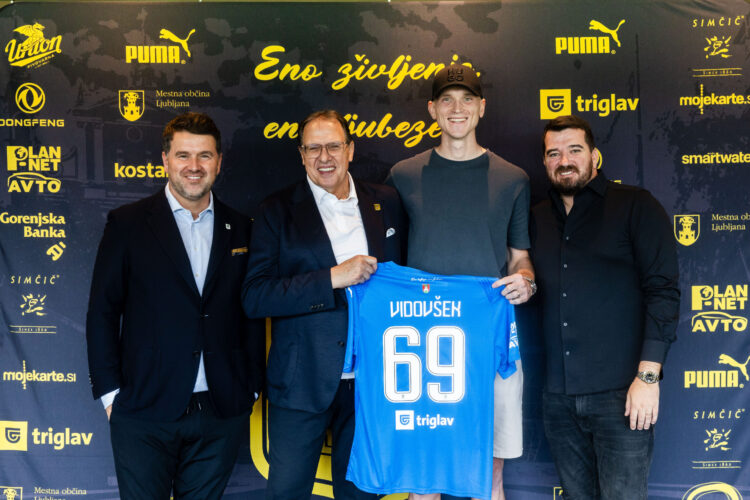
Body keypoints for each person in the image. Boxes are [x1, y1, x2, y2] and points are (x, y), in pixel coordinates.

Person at [86, 112, 265, 499]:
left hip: (220, 410)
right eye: (184, 155)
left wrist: (250, 388)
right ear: (165, 160)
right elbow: (102, 311)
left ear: (219, 161)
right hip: (143, 410)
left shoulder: (243, 228)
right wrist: (110, 395)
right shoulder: (127, 224)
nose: (194, 166)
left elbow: (251, 312)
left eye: (204, 155)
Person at [242, 110, 407, 500]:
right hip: (301, 382)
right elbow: (256, 296)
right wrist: (333, 277)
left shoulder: (386, 201)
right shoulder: (275, 209)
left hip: (371, 382)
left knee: (360, 495)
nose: (324, 157)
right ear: (301, 155)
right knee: (287, 493)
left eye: (333, 146)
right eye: (313, 148)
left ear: (350, 150)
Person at [388, 64, 535, 500]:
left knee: (489, 476)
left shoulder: (513, 178)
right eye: (447, 100)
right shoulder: (403, 175)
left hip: (489, 337)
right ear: (432, 109)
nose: (457, 108)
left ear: (482, 107)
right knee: (424, 479)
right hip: (422, 342)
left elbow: (520, 258)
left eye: (467, 99)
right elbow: (389, 261)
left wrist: (526, 281)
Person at [530, 115, 679, 499]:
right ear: (545, 161)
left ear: (594, 155)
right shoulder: (535, 217)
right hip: (558, 398)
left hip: (622, 395)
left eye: (574, 150)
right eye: (554, 153)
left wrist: (648, 379)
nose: (565, 160)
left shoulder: (635, 205)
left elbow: (663, 292)